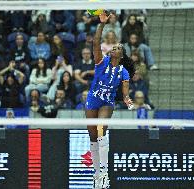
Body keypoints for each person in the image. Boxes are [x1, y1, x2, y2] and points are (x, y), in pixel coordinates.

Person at [86, 12, 134, 189]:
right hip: (93, 98)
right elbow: (96, 42)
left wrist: (128, 101)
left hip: (107, 102)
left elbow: (125, 93)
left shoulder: (123, 72)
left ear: (121, 54)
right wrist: (102, 24)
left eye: (118, 48)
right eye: (114, 47)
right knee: (92, 135)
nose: (114, 48)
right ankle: (97, 174)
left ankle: (105, 173)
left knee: (100, 131)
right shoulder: (101, 61)